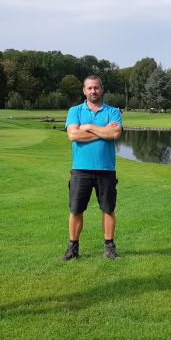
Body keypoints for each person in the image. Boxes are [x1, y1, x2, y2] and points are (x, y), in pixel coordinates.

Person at [63, 75, 123, 261]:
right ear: (84, 90)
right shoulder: (75, 111)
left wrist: (88, 127)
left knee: (108, 209)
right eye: (89, 88)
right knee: (76, 210)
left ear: (102, 89)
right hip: (81, 169)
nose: (93, 91)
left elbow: (115, 133)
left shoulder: (113, 112)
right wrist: (102, 132)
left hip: (106, 169)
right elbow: (73, 135)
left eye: (96, 88)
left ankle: (109, 247)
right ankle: (73, 248)